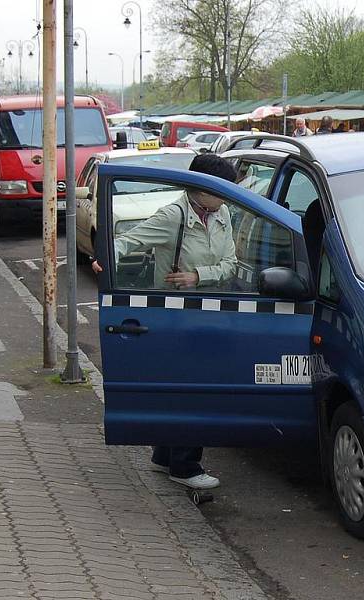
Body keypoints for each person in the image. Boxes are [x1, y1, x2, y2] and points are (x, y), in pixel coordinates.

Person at [92, 153, 239, 490]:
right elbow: (129, 241)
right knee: (196, 389)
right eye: (222, 189)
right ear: (202, 190)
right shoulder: (173, 216)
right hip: (176, 314)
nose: (227, 196)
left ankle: (164, 456)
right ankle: (185, 466)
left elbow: (231, 263)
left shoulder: (223, 213)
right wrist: (102, 259)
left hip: (211, 308)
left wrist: (197, 276)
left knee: (189, 386)